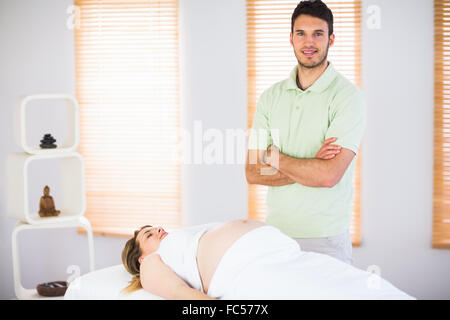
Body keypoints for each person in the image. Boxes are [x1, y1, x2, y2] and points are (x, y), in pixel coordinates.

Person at [245, 0, 366, 265]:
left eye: (318, 34)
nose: (308, 42)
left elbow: (329, 175)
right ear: (291, 38)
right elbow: (252, 172)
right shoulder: (270, 97)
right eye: (301, 33)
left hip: (326, 239)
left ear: (331, 39)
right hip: (276, 235)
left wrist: (273, 156)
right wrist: (312, 164)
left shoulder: (348, 98)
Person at [121, 219, 413, 300]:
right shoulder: (150, 266)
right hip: (250, 273)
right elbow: (178, 293)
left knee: (354, 284)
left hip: (283, 256)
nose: (157, 229)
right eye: (148, 234)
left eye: (154, 226)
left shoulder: (177, 241)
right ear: (141, 256)